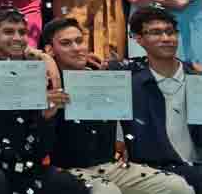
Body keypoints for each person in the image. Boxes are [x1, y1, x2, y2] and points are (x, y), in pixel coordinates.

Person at [41, 16, 193, 194]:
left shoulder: (106, 73)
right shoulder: (46, 84)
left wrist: (189, 66)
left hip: (110, 167)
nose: (76, 48)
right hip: (67, 171)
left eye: (79, 41)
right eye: (66, 43)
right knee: (107, 191)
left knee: (177, 187)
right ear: (50, 49)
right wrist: (46, 115)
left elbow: (146, 63)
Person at [0, 8, 88, 194]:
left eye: (22, 32)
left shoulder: (38, 71)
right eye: (8, 32)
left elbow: (44, 142)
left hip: (27, 160)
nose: (17, 38)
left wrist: (46, 116)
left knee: (70, 186)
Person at [116, 6, 202, 191]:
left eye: (170, 32)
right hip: (155, 171)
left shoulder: (197, 80)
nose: (166, 38)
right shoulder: (129, 85)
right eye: (155, 33)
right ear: (139, 39)